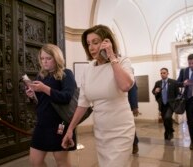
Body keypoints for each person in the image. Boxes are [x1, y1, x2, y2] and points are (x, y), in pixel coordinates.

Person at [61, 24, 135, 167]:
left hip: (121, 129)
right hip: (101, 130)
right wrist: (70, 129)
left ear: (108, 42)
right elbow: (82, 104)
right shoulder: (88, 69)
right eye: (88, 44)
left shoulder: (122, 61)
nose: (91, 47)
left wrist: (112, 57)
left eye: (95, 42)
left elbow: (126, 85)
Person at [25, 43, 77, 167]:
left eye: (48, 58)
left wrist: (44, 89)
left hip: (60, 124)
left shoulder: (66, 73)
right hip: (42, 123)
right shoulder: (41, 75)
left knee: (62, 162)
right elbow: (40, 102)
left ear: (57, 58)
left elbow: (66, 97)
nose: (44, 62)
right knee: (35, 162)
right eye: (42, 59)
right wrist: (32, 96)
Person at [152, 68, 179, 140]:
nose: (162, 74)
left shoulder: (173, 82)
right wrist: (155, 91)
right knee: (165, 120)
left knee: (167, 117)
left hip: (170, 104)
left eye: (164, 73)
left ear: (167, 73)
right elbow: (153, 92)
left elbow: (178, 93)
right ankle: (168, 131)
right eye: (161, 73)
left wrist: (176, 102)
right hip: (162, 105)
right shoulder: (158, 83)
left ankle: (170, 132)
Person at [128, 81, 139, 154]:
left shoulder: (128, 73)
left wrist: (135, 107)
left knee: (129, 126)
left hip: (125, 106)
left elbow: (133, 91)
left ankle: (134, 143)